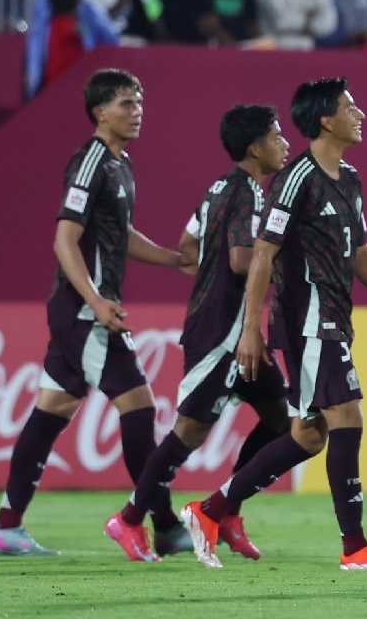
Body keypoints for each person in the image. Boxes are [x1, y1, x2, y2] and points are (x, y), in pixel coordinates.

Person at [181, 78, 367, 572]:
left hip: (334, 316)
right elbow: (262, 257)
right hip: (307, 319)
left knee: (309, 435)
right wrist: (251, 328)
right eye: (350, 106)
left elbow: (359, 249)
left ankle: (211, 509)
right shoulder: (296, 179)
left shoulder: (348, 178)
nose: (360, 113)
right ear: (325, 120)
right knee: (348, 415)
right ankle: (355, 547)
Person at [0, 69, 194, 557]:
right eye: (125, 103)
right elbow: (64, 239)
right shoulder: (92, 161)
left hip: (83, 311)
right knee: (139, 407)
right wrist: (97, 302)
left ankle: (6, 527)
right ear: (100, 112)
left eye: (139, 101)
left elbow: (120, 235)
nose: (136, 110)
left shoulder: (121, 165)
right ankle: (161, 522)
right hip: (84, 311)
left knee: (51, 411)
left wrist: (172, 259)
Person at [104, 104, 293, 563]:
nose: (285, 142)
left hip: (233, 327)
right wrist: (287, 260)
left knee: (281, 421)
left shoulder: (216, 190)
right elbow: (242, 260)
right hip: (224, 333)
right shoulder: (248, 193)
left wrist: (210, 278)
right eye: (276, 135)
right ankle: (128, 520)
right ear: (254, 147)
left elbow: (189, 247)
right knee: (189, 431)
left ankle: (227, 509)